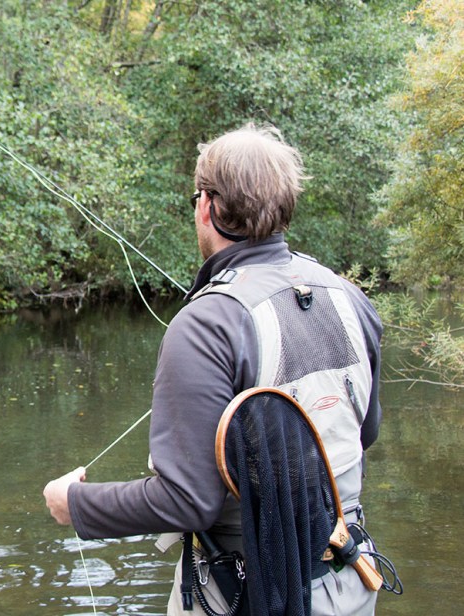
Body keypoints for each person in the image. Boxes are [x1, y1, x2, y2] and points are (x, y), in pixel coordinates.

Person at [43, 124, 383, 615]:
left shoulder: (204, 324)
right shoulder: (349, 297)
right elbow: (363, 434)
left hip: (247, 594)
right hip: (351, 583)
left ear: (206, 205)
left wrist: (74, 503)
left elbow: (186, 502)